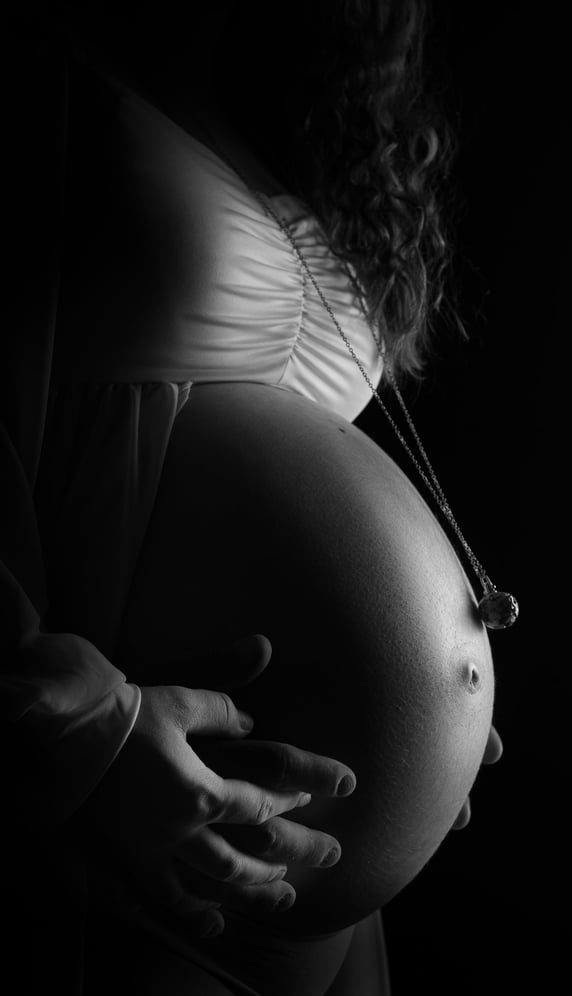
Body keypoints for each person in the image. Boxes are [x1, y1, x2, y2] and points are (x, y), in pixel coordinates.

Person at [1, 3, 503, 993]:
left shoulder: (299, 112)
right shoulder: (47, 65)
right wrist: (81, 730)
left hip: (326, 910)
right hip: (141, 840)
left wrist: (429, 714)